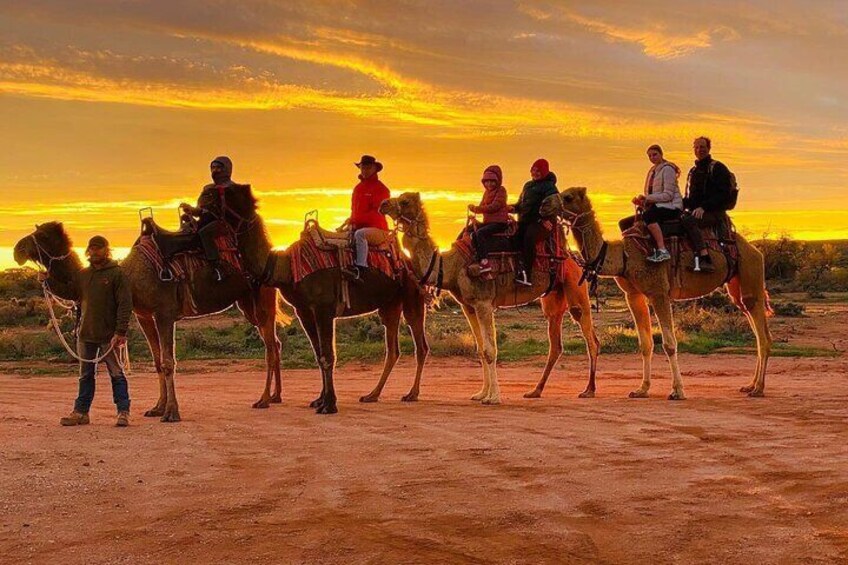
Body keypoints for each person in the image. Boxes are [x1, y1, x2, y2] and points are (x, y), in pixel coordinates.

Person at [41, 236, 133, 427]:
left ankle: (123, 412)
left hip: (110, 335)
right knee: (85, 375)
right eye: (91, 248)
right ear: (88, 251)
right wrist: (48, 282)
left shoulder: (117, 274)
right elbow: (69, 292)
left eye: (98, 248)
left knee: (116, 373)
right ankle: (81, 413)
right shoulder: (83, 275)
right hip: (86, 334)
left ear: (106, 250)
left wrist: (121, 331)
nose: (94, 251)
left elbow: (125, 304)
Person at [618, 144, 683, 263]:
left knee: (649, 216)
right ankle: (637, 254)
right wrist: (642, 202)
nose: (652, 157)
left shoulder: (668, 169)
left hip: (672, 207)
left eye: (654, 154)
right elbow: (652, 195)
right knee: (624, 223)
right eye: (649, 156)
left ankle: (662, 250)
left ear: (661, 154)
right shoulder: (652, 171)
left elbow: (668, 195)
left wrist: (647, 198)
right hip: (657, 207)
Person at [180, 156, 238, 281]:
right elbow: (201, 209)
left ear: (227, 169)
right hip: (206, 219)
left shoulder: (233, 189)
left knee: (205, 233)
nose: (215, 170)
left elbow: (231, 211)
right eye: (213, 167)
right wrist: (191, 210)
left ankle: (217, 266)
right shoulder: (208, 188)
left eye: (218, 167)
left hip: (224, 223)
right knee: (185, 230)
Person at [681, 137, 733, 273]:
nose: (699, 150)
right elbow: (690, 198)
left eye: (702, 147)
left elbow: (724, 194)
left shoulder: (718, 168)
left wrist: (704, 207)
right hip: (696, 211)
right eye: (696, 147)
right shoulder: (693, 171)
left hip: (714, 212)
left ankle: (705, 258)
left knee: (689, 222)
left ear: (708, 148)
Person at [341, 155, 391, 280]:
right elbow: (354, 210)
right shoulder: (358, 189)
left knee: (360, 235)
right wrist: (350, 221)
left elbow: (377, 213)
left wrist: (355, 220)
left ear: (374, 169)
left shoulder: (382, 189)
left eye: (368, 168)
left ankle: (360, 268)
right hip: (358, 226)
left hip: (378, 230)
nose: (365, 170)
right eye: (363, 167)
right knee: (341, 237)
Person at [510, 158, 558, 286]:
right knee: (513, 239)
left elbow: (553, 205)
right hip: (526, 221)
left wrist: (543, 219)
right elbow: (521, 204)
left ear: (544, 172)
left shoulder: (550, 187)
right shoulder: (528, 185)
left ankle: (528, 275)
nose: (535, 173)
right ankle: (515, 271)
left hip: (542, 223)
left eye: (538, 171)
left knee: (529, 238)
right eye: (533, 170)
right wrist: (512, 208)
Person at [467, 165, 509, 274]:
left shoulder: (501, 191)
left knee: (480, 233)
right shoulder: (486, 193)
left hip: (499, 223)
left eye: (492, 181)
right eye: (487, 181)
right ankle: (470, 254)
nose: (489, 184)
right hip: (488, 222)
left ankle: (485, 262)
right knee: (469, 230)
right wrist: (474, 209)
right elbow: (482, 207)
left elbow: (495, 206)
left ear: (497, 181)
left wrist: (477, 209)